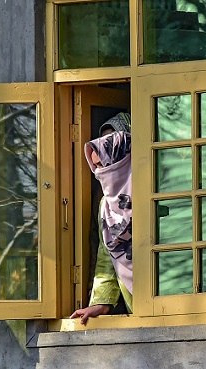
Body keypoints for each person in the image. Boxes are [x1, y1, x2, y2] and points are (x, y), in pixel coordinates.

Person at [70, 113, 133, 325]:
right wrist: (101, 303)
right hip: (138, 307)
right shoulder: (106, 205)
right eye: (97, 165)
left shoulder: (156, 190)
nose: (101, 170)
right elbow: (107, 255)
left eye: (111, 145)